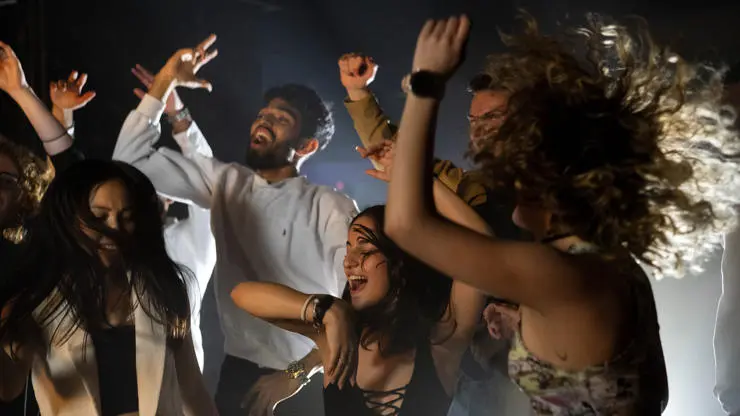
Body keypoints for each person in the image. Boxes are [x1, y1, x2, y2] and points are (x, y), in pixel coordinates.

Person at [385, 13, 740, 414]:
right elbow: (585, 389)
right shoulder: (601, 262)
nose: (509, 184)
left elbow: (407, 224)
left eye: (518, 172)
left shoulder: (563, 272)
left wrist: (425, 84)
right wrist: (516, 341)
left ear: (551, 176)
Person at [113, 35, 357, 415]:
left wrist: (295, 375)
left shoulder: (330, 205)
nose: (264, 120)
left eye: (281, 119)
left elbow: (353, 305)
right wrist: (164, 83)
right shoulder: (228, 184)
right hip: (237, 376)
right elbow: (129, 161)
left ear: (307, 145)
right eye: (264, 113)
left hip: (308, 379)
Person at [339, 52, 530, 415]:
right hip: (464, 361)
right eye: (474, 119)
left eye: (493, 117)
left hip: (538, 367)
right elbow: (395, 156)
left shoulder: (565, 197)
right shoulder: (464, 187)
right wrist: (359, 92)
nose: (480, 128)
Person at [231, 199, 487, 415]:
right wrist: (329, 309)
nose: (349, 262)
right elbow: (242, 294)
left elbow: (481, 247)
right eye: (348, 249)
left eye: (364, 248)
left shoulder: (442, 344)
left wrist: (412, 177)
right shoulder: (336, 337)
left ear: (400, 259)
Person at [0, 159, 216, 415]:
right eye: (99, 216)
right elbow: (7, 387)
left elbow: (192, 391)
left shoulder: (164, 292)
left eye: (126, 217)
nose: (114, 228)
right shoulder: (39, 303)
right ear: (70, 223)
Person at [0, 42, 91, 415]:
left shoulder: (35, 253)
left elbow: (74, 177)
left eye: (5, 179)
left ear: (25, 195)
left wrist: (21, 93)